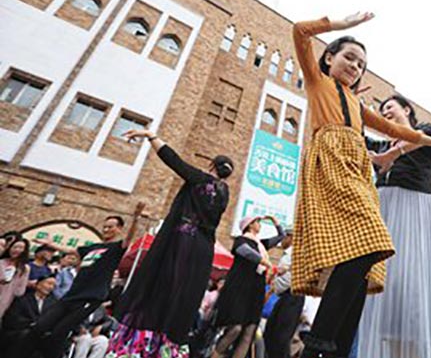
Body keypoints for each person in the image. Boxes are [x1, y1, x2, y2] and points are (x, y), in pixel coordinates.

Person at [290, 13, 431, 358]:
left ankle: (336, 347)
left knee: (368, 262)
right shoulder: (317, 82)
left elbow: (394, 129)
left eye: (361, 64)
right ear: (328, 58)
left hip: (357, 170)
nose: (355, 66)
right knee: (373, 242)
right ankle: (318, 342)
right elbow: (299, 31)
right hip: (333, 162)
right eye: (348, 57)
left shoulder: (356, 102)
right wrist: (338, 26)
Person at [358, 94, 431, 358]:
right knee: (386, 282)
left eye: (390, 107)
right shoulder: (381, 143)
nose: (385, 112)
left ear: (406, 108)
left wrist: (389, 156)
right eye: (381, 110)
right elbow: (357, 136)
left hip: (414, 206)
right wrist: (354, 107)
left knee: (413, 278)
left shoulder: (425, 131)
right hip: (384, 207)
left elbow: (415, 142)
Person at [108, 130, 233, 357]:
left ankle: (142, 345)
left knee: (159, 287)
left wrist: (150, 135)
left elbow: (173, 160)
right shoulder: (225, 193)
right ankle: (168, 348)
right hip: (203, 252)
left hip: (181, 243)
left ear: (211, 165)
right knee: (182, 297)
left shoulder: (201, 179)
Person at [15, 208, 143, 358]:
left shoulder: (115, 248)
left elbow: (128, 239)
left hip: (90, 297)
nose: (106, 229)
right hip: (72, 295)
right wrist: (50, 244)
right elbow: (70, 250)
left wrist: (136, 218)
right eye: (105, 226)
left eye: (111, 227)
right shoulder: (92, 247)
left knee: (59, 333)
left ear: (119, 229)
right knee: (40, 327)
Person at [212, 215, 282, 358]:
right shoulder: (241, 241)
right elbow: (246, 252)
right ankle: (216, 355)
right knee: (235, 328)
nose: (259, 224)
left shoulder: (260, 244)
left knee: (249, 331)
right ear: (250, 225)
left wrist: (275, 222)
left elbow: (281, 236)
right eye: (257, 222)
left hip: (255, 290)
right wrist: (265, 262)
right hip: (240, 288)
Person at [265, 230, 305, 358]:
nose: (282, 241)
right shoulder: (289, 254)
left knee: (281, 336)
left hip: (293, 296)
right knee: (272, 332)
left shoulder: (295, 253)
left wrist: (275, 284)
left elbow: (288, 278)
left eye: (284, 238)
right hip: (285, 297)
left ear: (291, 237)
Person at [0, 237, 31, 322]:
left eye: (20, 248)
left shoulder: (24, 269)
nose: (16, 250)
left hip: (4, 302)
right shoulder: (1, 262)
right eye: (14, 247)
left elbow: (19, 292)